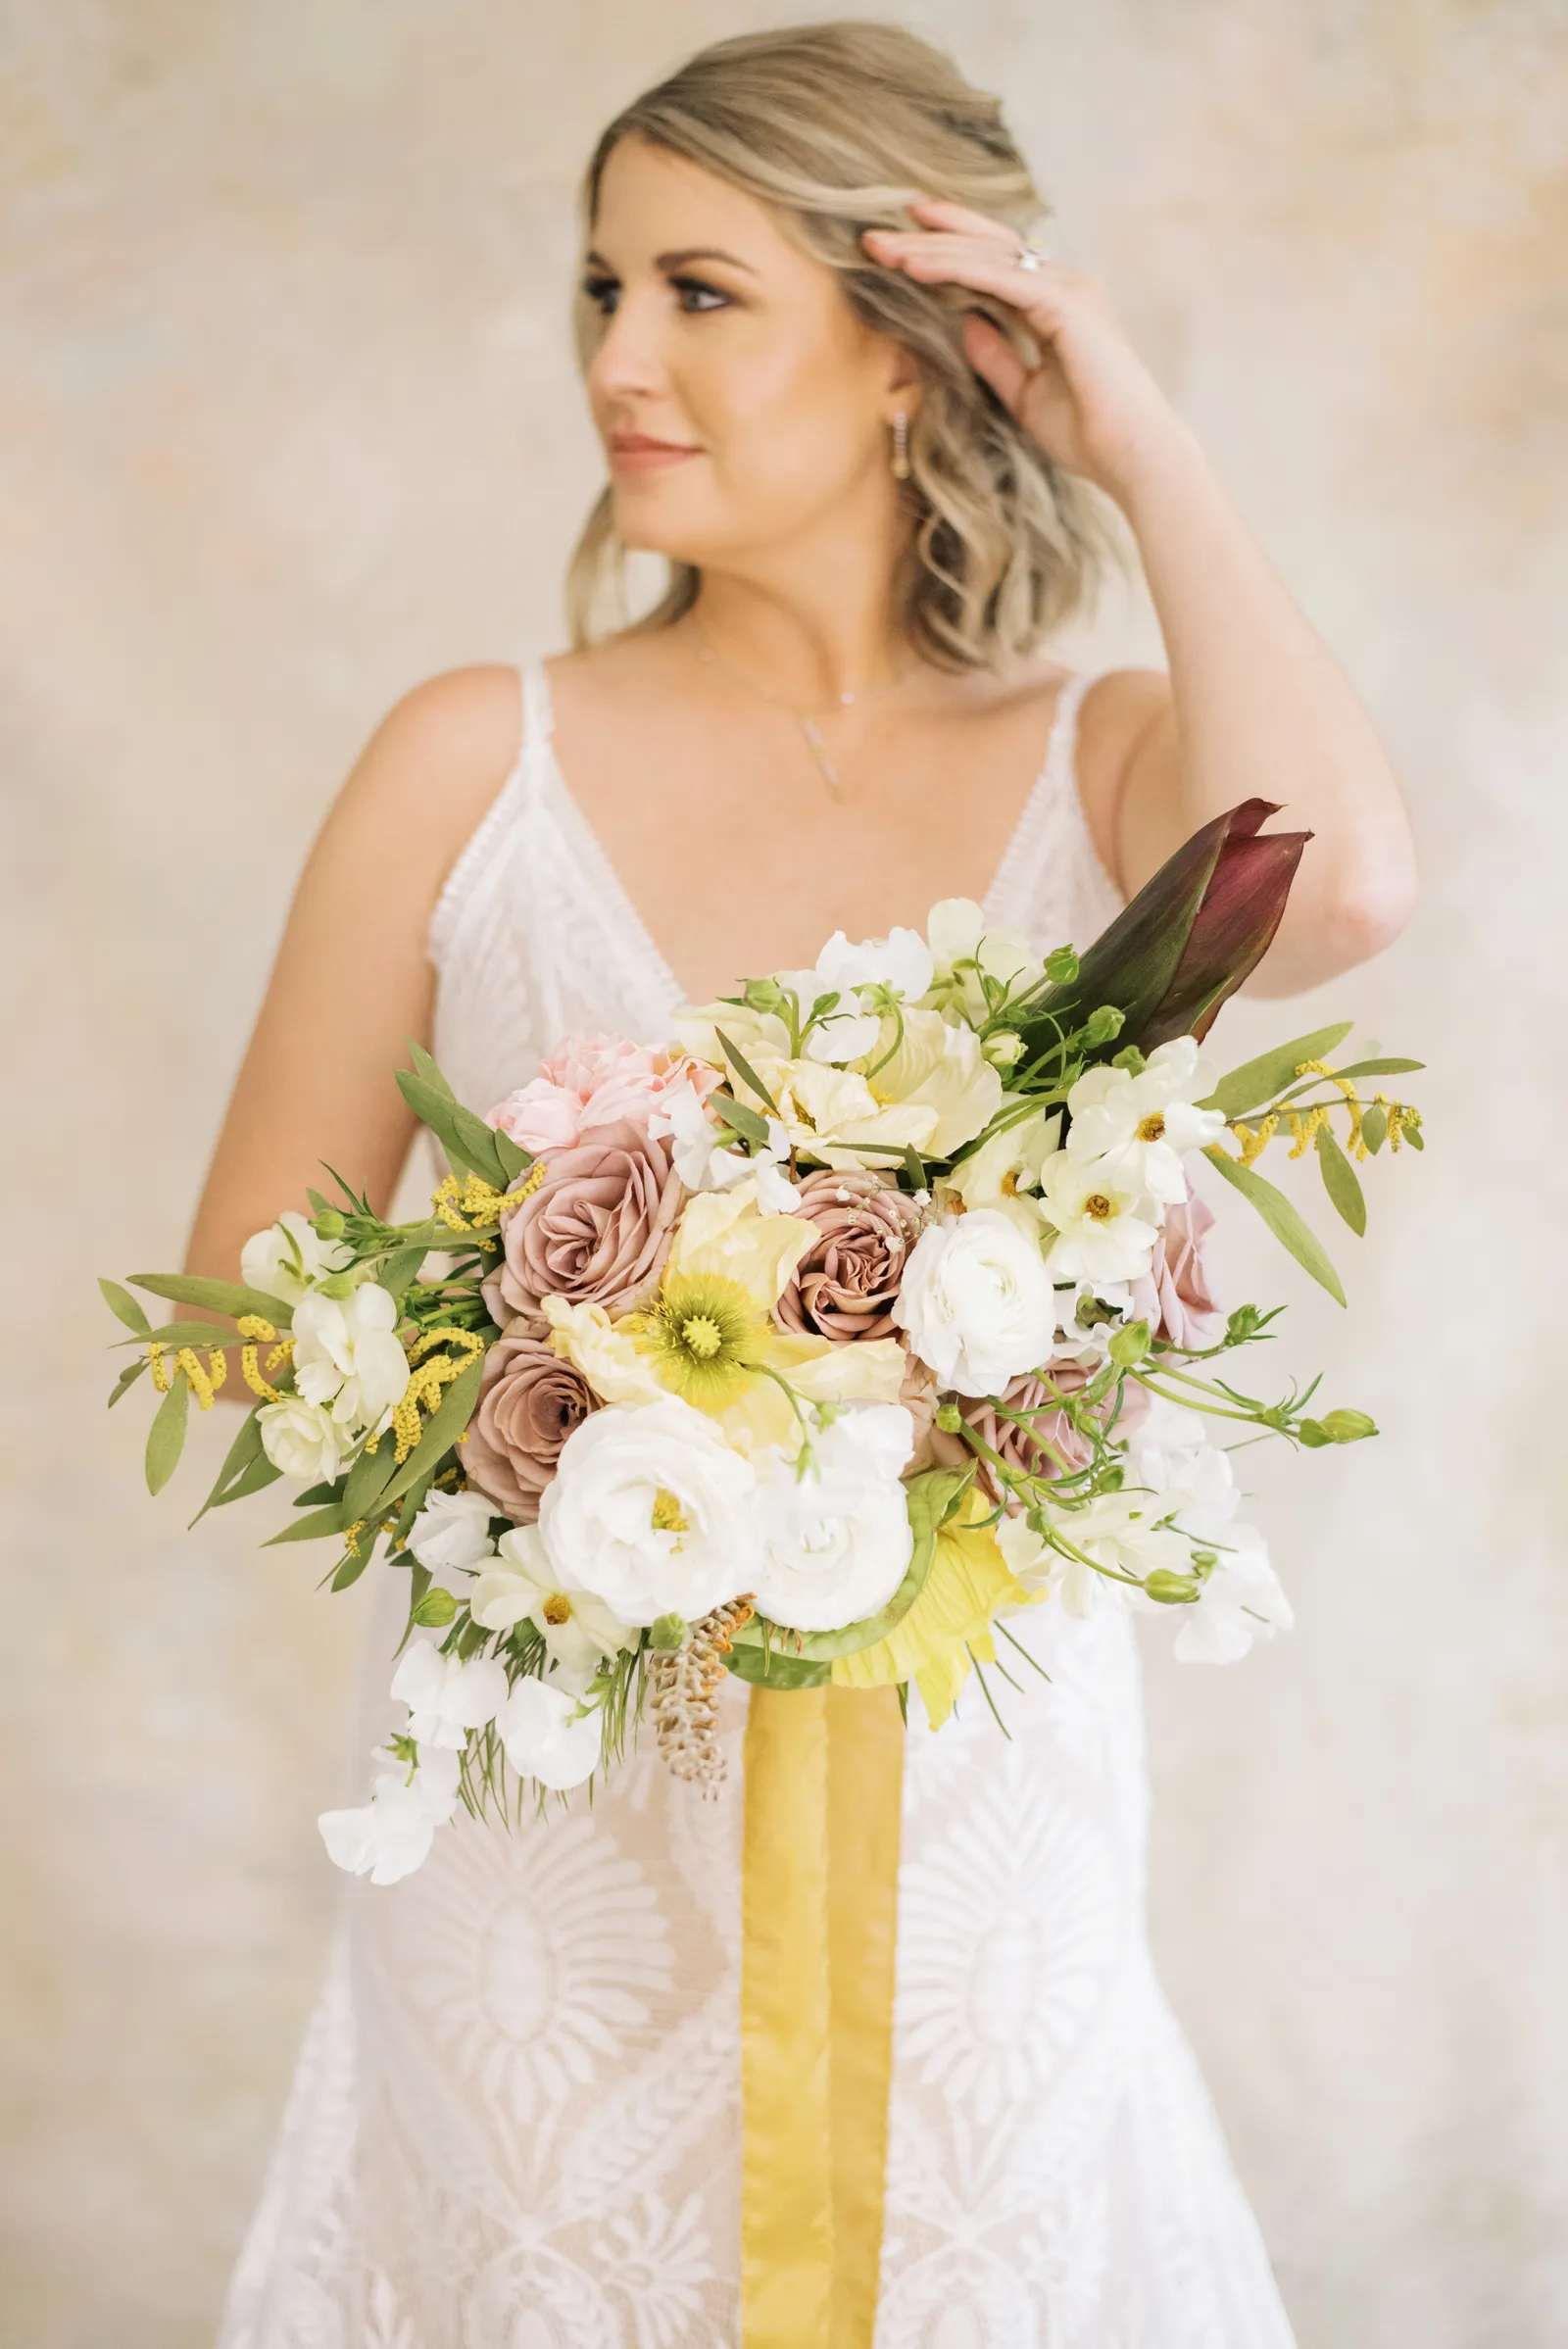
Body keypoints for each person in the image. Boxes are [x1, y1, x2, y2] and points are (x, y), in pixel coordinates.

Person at [193, 22, 1417, 2346]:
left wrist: (1133, 432)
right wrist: (595, 1359)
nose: (615, 359)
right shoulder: (472, 754)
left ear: (904, 354)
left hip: (977, 1817)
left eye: (697, 292)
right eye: (597, 292)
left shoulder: (1106, 755)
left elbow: (1340, 888)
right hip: (544, 1834)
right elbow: (247, 1299)